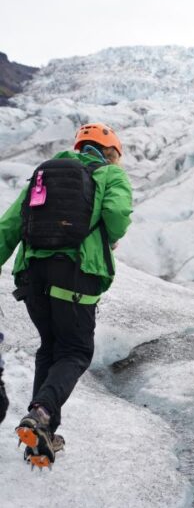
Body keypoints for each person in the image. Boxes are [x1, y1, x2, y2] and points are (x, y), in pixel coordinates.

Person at [0, 123, 132, 468]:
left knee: (50, 347)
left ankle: (39, 437)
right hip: (75, 273)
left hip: (32, 275)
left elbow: (11, 223)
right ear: (112, 152)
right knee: (74, 351)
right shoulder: (110, 175)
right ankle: (41, 415)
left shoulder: (43, 173)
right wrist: (111, 236)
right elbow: (117, 216)